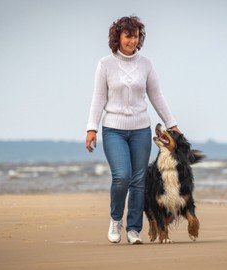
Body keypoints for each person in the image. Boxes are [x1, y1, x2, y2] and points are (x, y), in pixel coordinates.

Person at [85, 15, 181, 244]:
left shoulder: (146, 64)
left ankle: (134, 229)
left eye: (136, 36)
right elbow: (98, 98)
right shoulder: (105, 64)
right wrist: (92, 128)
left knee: (139, 180)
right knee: (122, 177)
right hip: (113, 130)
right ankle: (116, 219)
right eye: (128, 35)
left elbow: (156, 95)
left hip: (140, 129)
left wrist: (171, 123)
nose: (132, 40)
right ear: (117, 37)